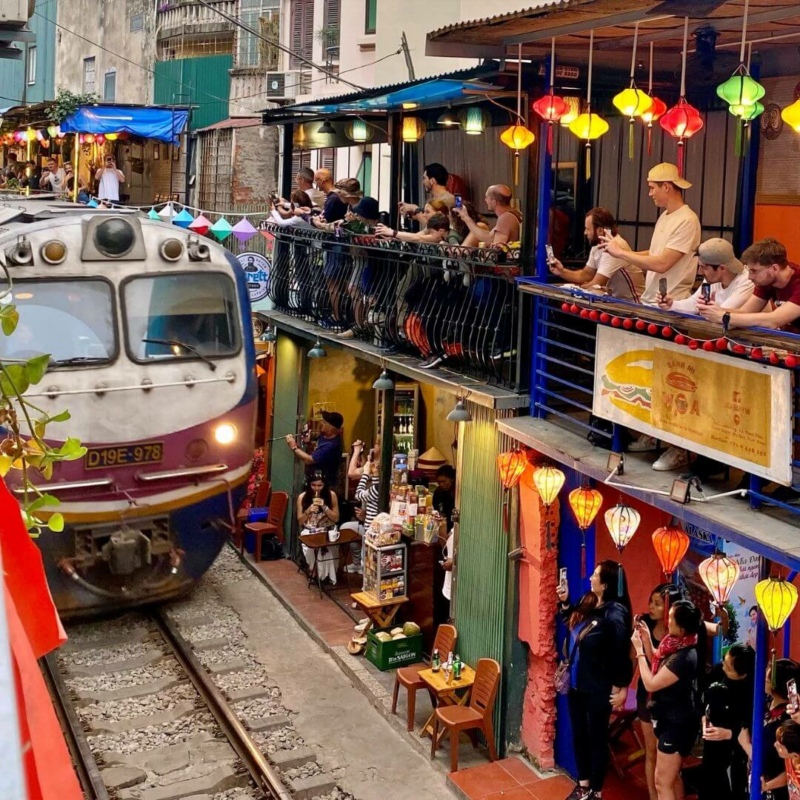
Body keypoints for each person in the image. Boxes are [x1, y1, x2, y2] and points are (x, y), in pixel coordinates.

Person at [557, 561, 633, 800]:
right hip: (577, 683)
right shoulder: (590, 601)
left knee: (596, 737)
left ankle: (596, 792)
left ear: (606, 584)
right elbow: (571, 621)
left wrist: (621, 686)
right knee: (578, 733)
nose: (591, 578)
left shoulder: (616, 613)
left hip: (598, 688)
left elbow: (621, 651)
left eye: (595, 575)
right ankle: (583, 785)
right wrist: (566, 601)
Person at [633, 599, 706, 800]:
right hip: (669, 717)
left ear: (682, 629)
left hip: (678, 723)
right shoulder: (675, 643)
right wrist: (647, 639)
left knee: (662, 782)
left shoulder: (685, 657)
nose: (667, 620)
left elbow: (651, 683)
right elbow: (657, 657)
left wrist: (638, 651)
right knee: (672, 778)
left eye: (671, 618)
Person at [601, 162, 700, 307]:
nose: (650, 193)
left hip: (671, 303)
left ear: (666, 187)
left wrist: (622, 253)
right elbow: (655, 252)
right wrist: (620, 255)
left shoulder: (687, 220)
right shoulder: (665, 215)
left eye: (652, 188)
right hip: (651, 300)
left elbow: (662, 263)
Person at [698, 238, 800, 334]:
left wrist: (723, 317)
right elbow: (745, 311)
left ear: (774, 269)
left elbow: (773, 320)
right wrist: (715, 310)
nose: (750, 277)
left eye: (754, 271)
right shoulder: (766, 281)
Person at [549, 208, 644, 302]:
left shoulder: (614, 248)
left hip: (632, 305)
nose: (585, 233)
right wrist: (561, 271)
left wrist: (578, 287)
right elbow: (585, 275)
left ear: (599, 230)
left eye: (587, 229)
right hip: (616, 303)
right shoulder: (597, 245)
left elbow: (596, 284)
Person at [700, 643, 755, 800]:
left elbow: (750, 726)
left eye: (729, 668)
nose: (723, 667)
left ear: (743, 675)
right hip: (711, 745)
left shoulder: (750, 693)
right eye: (724, 660)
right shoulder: (719, 670)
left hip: (733, 755)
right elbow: (702, 696)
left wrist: (730, 733)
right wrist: (704, 718)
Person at [739, 658, 800, 800]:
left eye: (767, 677)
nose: (764, 678)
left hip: (776, 789)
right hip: (755, 779)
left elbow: (791, 766)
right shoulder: (765, 702)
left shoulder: (789, 721)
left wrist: (746, 745)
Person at [659, 238, 753, 315]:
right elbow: (694, 304)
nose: (700, 272)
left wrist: (706, 309)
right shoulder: (712, 279)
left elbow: (721, 315)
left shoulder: (747, 281)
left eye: (703, 267)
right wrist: (671, 305)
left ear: (722, 268)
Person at [339, 440, 380, 574]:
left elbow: (351, 475)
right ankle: (357, 564)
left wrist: (366, 471)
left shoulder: (378, 481)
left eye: (376, 445)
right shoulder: (375, 468)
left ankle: (362, 567)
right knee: (346, 529)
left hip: (373, 526)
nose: (374, 448)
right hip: (368, 521)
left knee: (368, 559)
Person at [296, 471, 340, 584]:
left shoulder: (331, 495)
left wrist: (324, 507)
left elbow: (336, 518)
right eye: (313, 485)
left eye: (320, 485)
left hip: (326, 530)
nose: (316, 488)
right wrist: (307, 511)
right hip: (309, 531)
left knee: (328, 546)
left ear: (324, 485)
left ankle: (326, 575)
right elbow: (300, 521)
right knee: (312, 545)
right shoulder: (303, 497)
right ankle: (316, 572)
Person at [286, 410, 343, 487]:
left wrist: (294, 447)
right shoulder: (324, 435)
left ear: (332, 427)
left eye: (325, 422)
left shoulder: (331, 445)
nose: (322, 423)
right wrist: (308, 441)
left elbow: (309, 460)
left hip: (323, 485)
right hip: (312, 479)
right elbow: (316, 446)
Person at [453, 184, 521, 247]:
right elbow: (488, 237)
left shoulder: (505, 219)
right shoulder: (514, 214)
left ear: (494, 202)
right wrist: (465, 217)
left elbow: (497, 251)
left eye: (487, 197)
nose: (485, 200)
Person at [775, 721, 800, 799]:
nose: (775, 745)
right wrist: (766, 786)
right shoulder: (790, 756)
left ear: (795, 755)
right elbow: (788, 776)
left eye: (780, 747)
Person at [432, 465, 456, 529]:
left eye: (444, 481)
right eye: (439, 482)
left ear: (452, 479)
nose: (441, 484)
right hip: (443, 524)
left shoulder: (457, 493)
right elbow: (436, 510)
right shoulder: (438, 492)